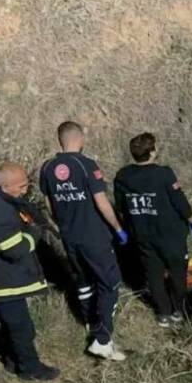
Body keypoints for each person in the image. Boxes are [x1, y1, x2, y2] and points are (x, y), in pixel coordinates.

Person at [38, 121, 127, 360]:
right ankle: (103, 339)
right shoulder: (86, 165)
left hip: (69, 236)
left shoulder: (47, 168)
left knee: (83, 279)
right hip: (93, 236)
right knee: (110, 283)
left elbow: (48, 205)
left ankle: (90, 320)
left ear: (60, 140)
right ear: (81, 138)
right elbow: (101, 202)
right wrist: (118, 227)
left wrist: (63, 225)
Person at [0, 162, 59, 381]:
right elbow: (15, 250)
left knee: (8, 321)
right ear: (4, 186)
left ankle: (12, 360)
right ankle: (30, 368)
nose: (25, 191)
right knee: (21, 326)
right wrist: (32, 234)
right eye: (21, 187)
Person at [114, 132, 192, 328]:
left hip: (142, 234)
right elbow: (179, 201)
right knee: (178, 273)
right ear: (152, 152)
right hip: (170, 235)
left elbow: (120, 206)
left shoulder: (123, 176)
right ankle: (179, 310)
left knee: (153, 275)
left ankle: (163, 313)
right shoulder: (164, 173)